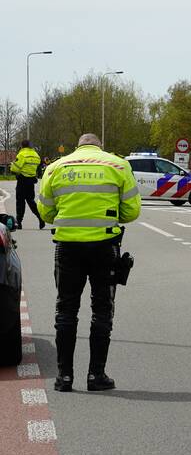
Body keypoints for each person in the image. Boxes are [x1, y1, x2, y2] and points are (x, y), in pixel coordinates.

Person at [36, 133, 140, 392]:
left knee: (66, 310)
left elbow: (45, 210)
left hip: (67, 248)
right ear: (99, 147)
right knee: (102, 310)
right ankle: (96, 376)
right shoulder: (118, 165)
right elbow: (131, 210)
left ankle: (64, 377)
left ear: (78, 147)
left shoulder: (56, 167)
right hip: (105, 247)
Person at [11, 139, 44, 230]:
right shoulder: (36, 155)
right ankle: (40, 218)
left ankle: (19, 222)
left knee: (20, 202)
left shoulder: (21, 154)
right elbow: (39, 166)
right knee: (31, 201)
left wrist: (13, 167)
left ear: (22, 146)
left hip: (22, 180)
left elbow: (15, 169)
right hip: (31, 181)